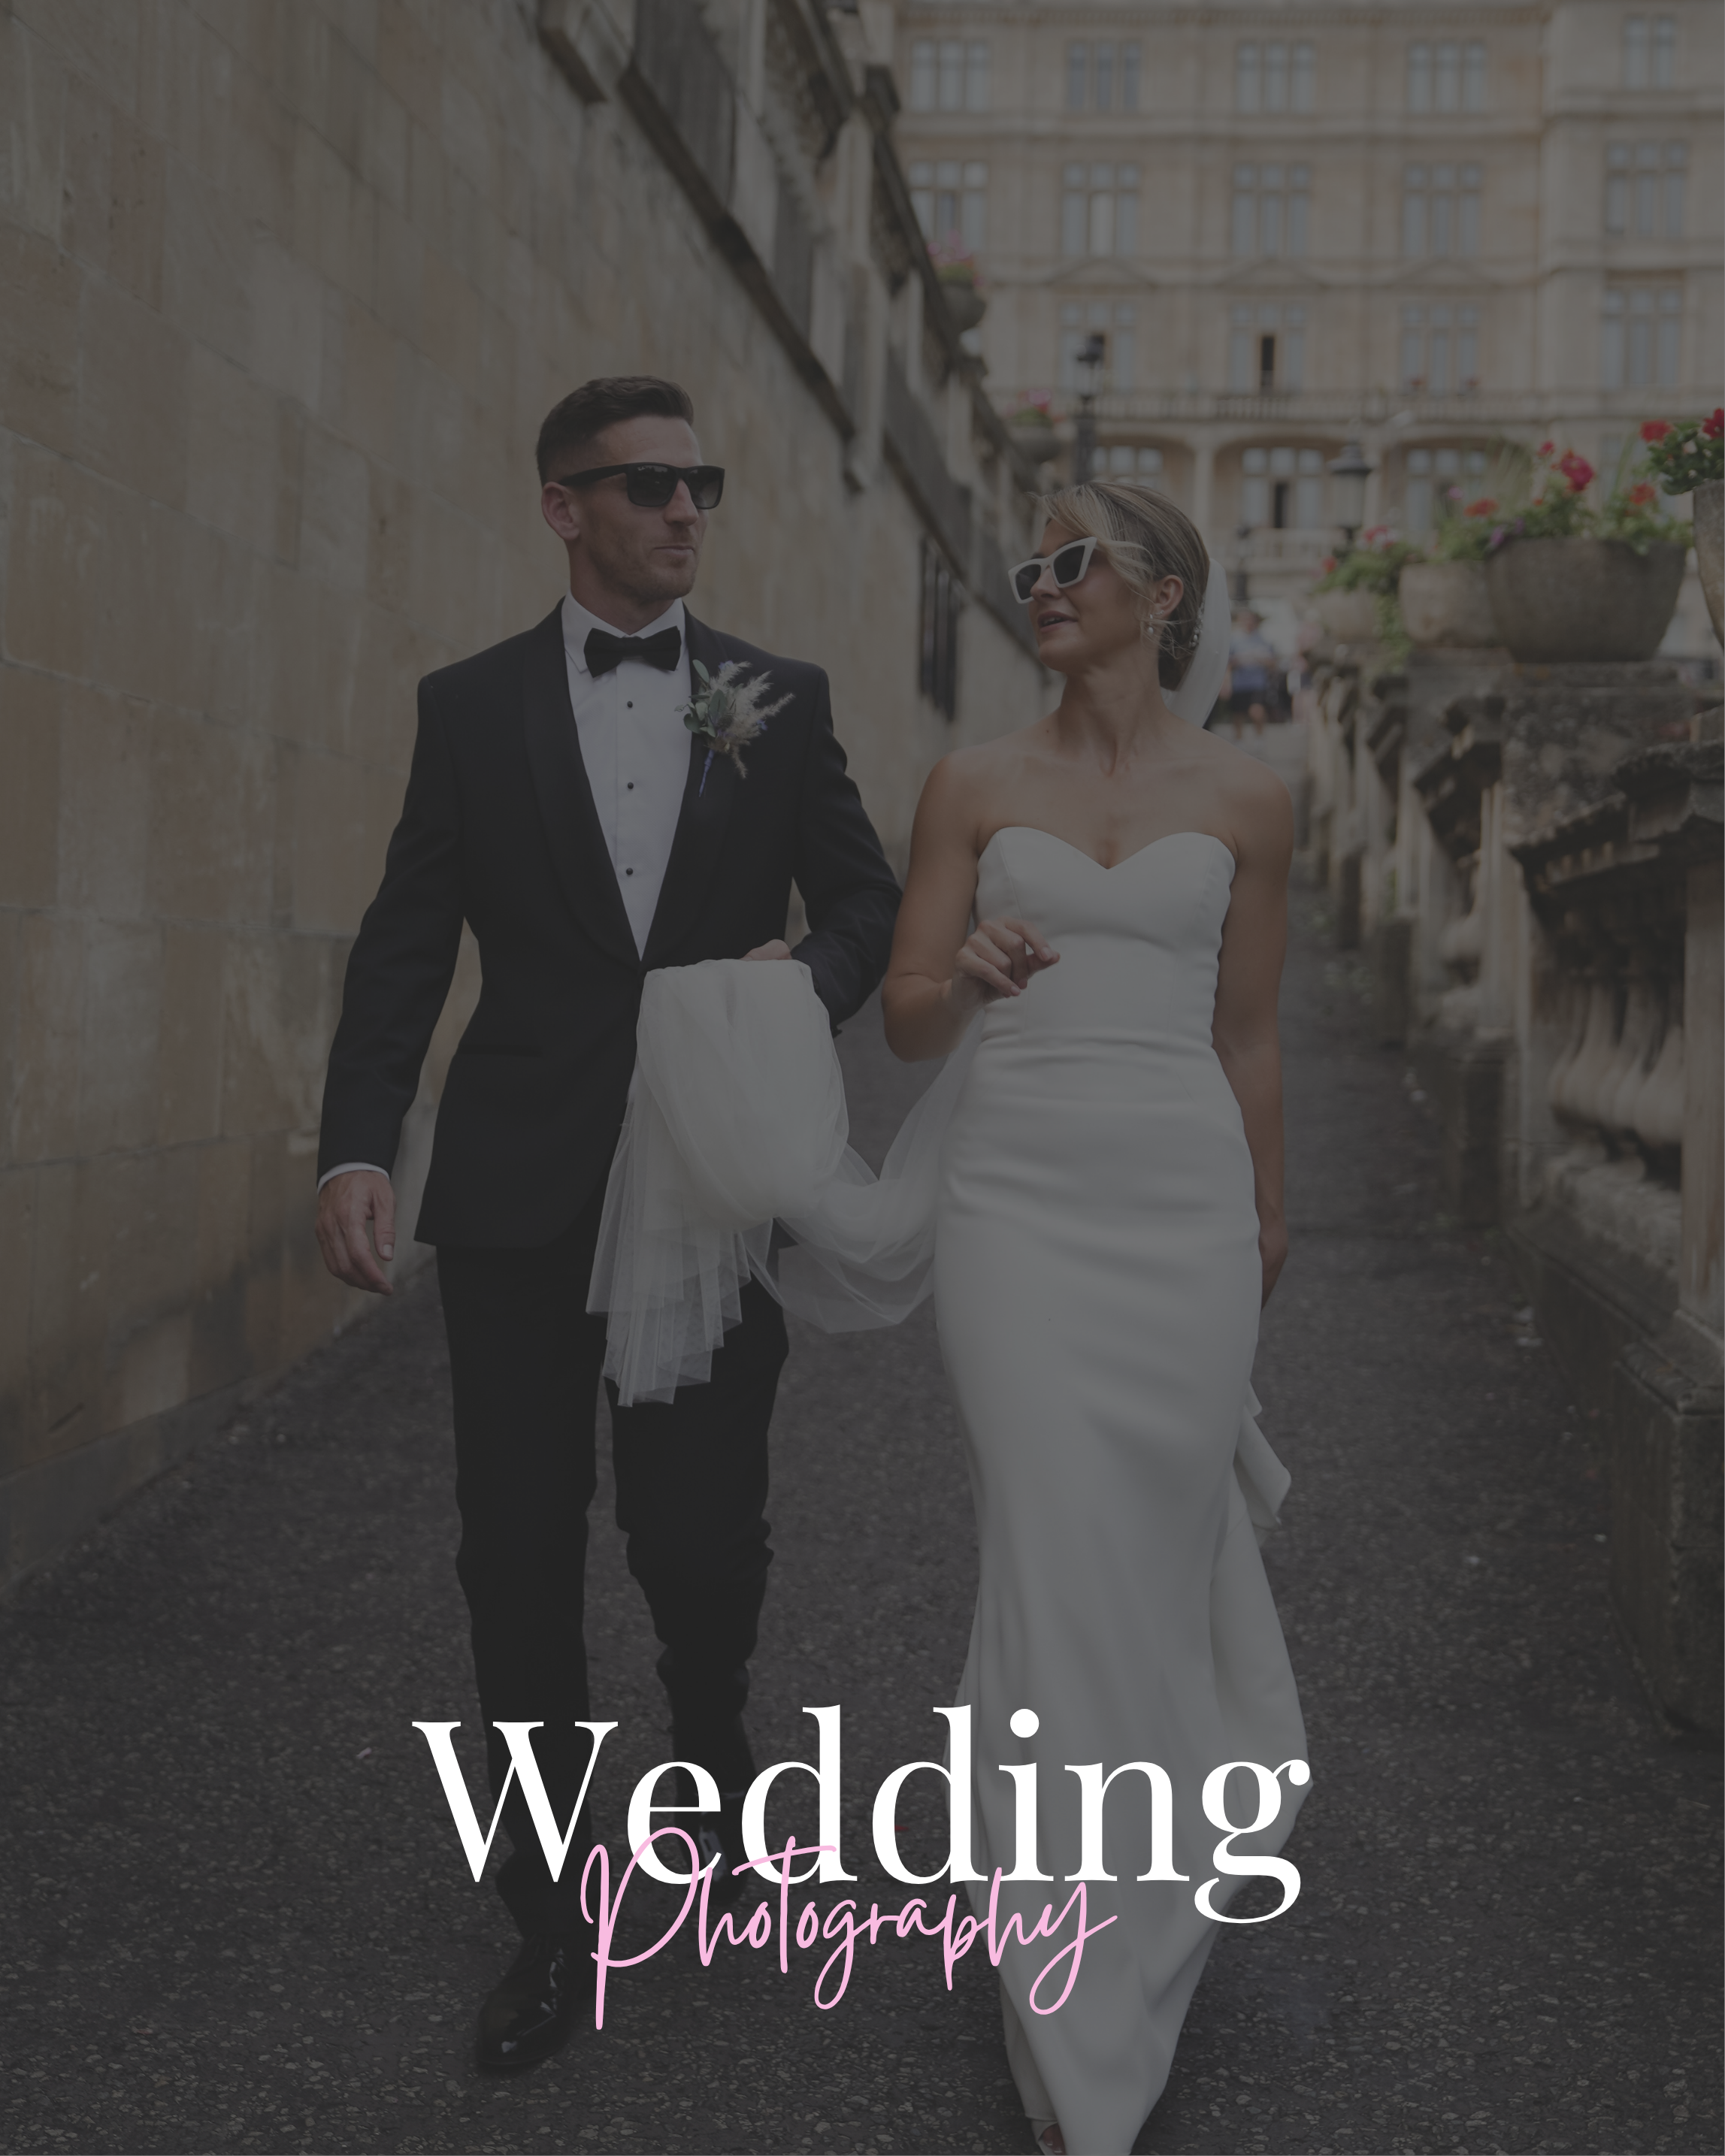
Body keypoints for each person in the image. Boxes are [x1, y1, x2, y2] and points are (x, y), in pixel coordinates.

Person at [313, 376, 900, 2071]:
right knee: (515, 1550)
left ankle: (710, 1736)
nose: (683, 508)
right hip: (513, 1188)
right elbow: (407, 936)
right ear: (562, 505)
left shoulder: (773, 700)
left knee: (696, 1537)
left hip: (713, 1179)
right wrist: (359, 1143)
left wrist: (811, 981)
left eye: (699, 480)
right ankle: (549, 1915)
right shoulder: (469, 705)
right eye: (645, 484)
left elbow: (858, 896)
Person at [879, 482, 1308, 2154]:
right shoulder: (972, 783)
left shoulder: (1249, 796)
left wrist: (1266, 1213)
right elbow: (907, 1021)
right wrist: (961, 977)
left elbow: (1252, 1032)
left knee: (1144, 1574)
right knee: (1052, 1567)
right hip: (1015, 1210)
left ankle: (1147, 1915)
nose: (1039, 586)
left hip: (1183, 1215)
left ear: (1165, 590)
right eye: (1028, 567)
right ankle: (1072, 2027)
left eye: (1074, 561)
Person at [1222, 606, 1279, 739]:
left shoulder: (1263, 639)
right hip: (1240, 682)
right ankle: (1239, 740)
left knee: (1257, 712)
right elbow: (1227, 663)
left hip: (1257, 682)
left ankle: (1259, 739)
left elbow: (1273, 662)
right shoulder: (1234, 640)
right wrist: (1226, 682)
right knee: (1238, 714)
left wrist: (1261, 659)